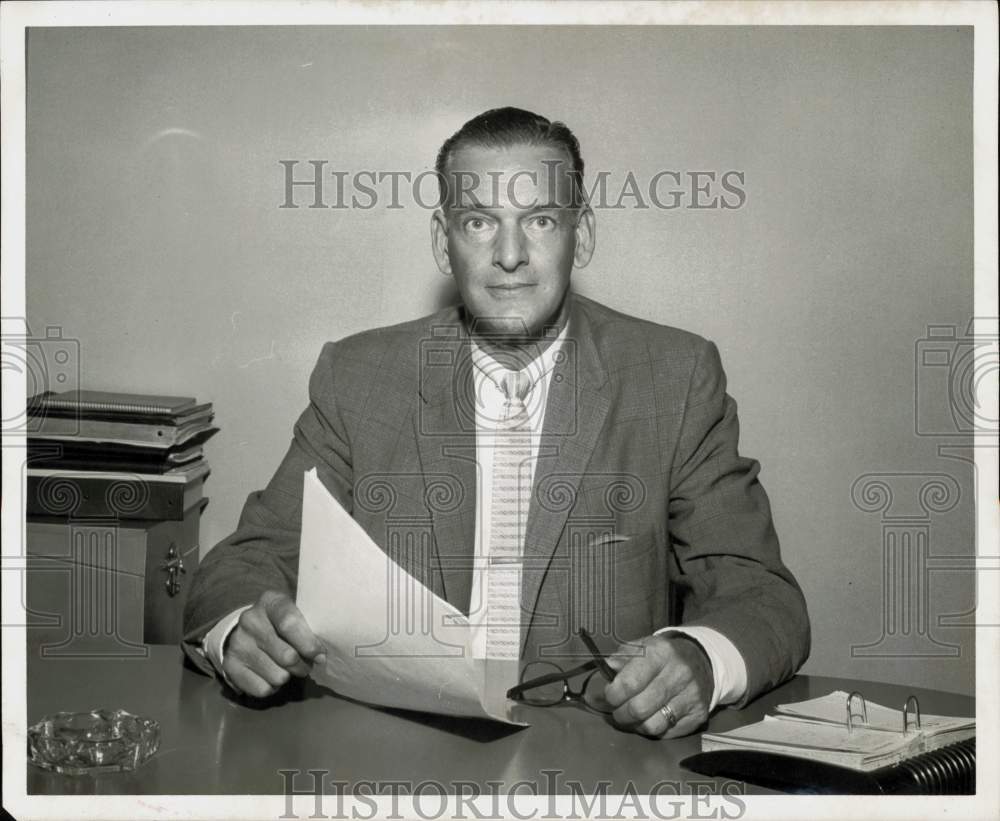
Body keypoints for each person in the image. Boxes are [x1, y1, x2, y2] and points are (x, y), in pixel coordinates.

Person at [182, 107, 810, 738]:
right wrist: (243, 629)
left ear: (581, 234)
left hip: (595, 757)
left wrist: (701, 657)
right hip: (389, 746)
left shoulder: (673, 377)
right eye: (479, 222)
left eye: (539, 220)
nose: (510, 255)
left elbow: (761, 593)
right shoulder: (359, 376)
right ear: (442, 240)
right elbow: (249, 559)